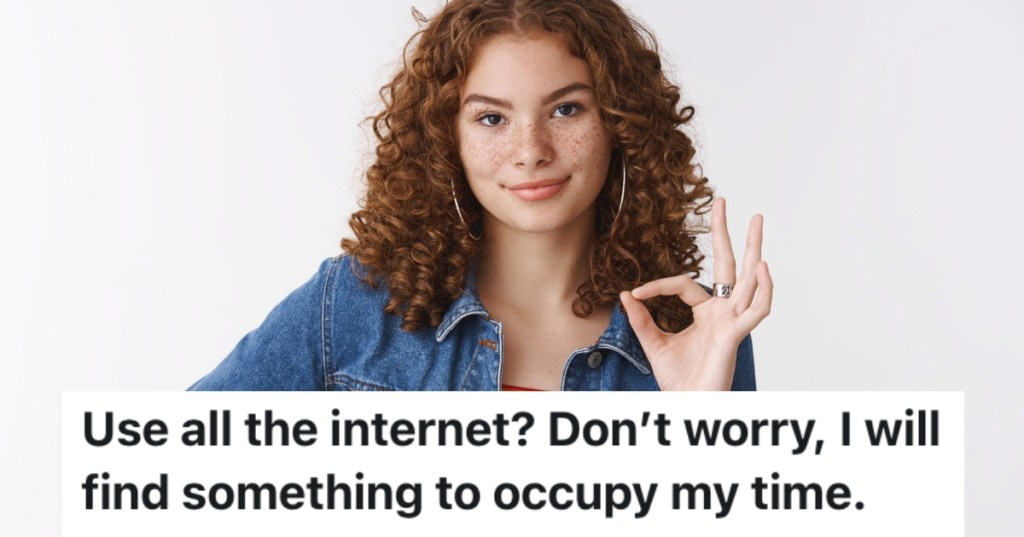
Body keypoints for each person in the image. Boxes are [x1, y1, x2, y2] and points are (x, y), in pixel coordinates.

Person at [189, 0, 772, 392]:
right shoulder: (351, 309)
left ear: (620, 122)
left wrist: (698, 433)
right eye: (492, 118)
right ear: (448, 138)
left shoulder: (697, 330)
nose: (530, 150)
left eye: (566, 110)